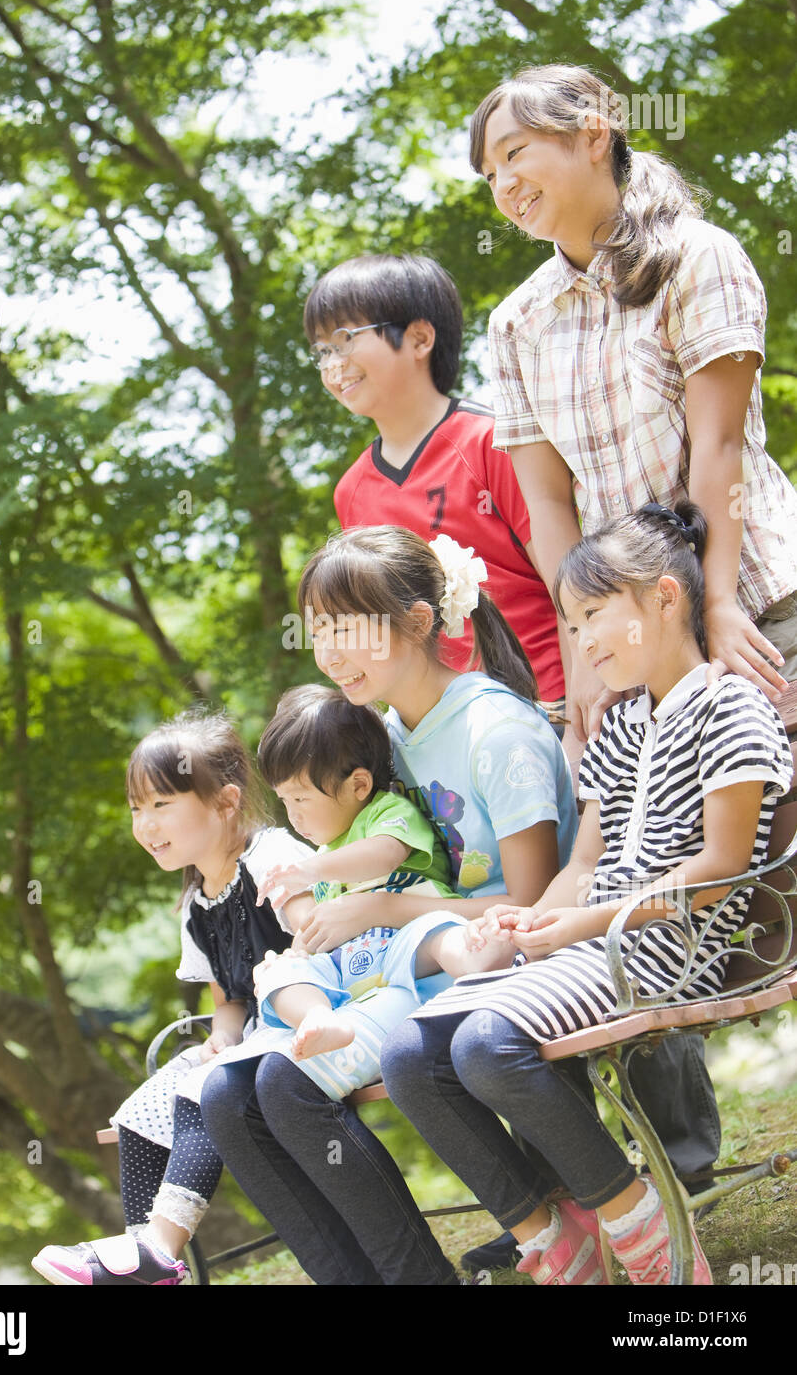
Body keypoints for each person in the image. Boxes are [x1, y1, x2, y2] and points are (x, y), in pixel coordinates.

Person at [381, 502, 793, 1286]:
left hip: (673, 946)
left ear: (666, 598)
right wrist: (536, 917)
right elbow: (583, 863)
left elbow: (718, 868)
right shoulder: (619, 726)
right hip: (598, 939)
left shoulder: (732, 706)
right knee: (409, 1057)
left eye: (595, 615)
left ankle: (643, 1234)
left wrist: (577, 926)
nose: (584, 642)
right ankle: (551, 1234)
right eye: (572, 624)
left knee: (484, 1047)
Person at [200, 525, 578, 1285]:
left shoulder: (493, 731)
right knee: (227, 1097)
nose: (330, 653)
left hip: (502, 957)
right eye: (319, 634)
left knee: (285, 1084)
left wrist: (379, 912)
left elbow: (535, 907)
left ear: (417, 620)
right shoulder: (384, 737)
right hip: (414, 969)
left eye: (347, 629)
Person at [470, 63, 797, 745]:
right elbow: (552, 504)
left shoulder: (697, 258)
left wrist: (717, 603)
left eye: (514, 153)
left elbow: (720, 446)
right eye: (489, 174)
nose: (503, 185)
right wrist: (582, 643)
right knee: (684, 850)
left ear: (594, 135)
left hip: (756, 605)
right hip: (635, 650)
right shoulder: (515, 324)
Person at [31, 709, 313, 1286]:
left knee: (199, 1089)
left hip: (309, 1015)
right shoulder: (194, 905)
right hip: (256, 1032)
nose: (145, 823)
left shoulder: (271, 859)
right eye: (137, 808)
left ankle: (159, 1250)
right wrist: (222, 1035)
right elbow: (229, 997)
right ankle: (145, 1267)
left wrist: (246, 1036)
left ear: (226, 801)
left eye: (162, 804)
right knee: (138, 1113)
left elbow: (321, 942)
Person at [304, 252, 566, 721]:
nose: (332, 364)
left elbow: (571, 584)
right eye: (321, 351)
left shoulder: (496, 442)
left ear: (420, 338)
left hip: (545, 707)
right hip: (437, 733)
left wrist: (582, 708)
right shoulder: (351, 492)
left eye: (344, 340)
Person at [252, 683, 516, 1075]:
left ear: (358, 785)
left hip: (407, 934)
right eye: (285, 801)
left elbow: (384, 854)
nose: (294, 816)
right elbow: (326, 925)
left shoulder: (386, 812)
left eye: (302, 799)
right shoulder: (326, 853)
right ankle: (318, 1017)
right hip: (356, 965)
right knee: (277, 974)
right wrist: (298, 950)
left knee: (437, 931)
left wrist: (312, 870)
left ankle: (474, 955)